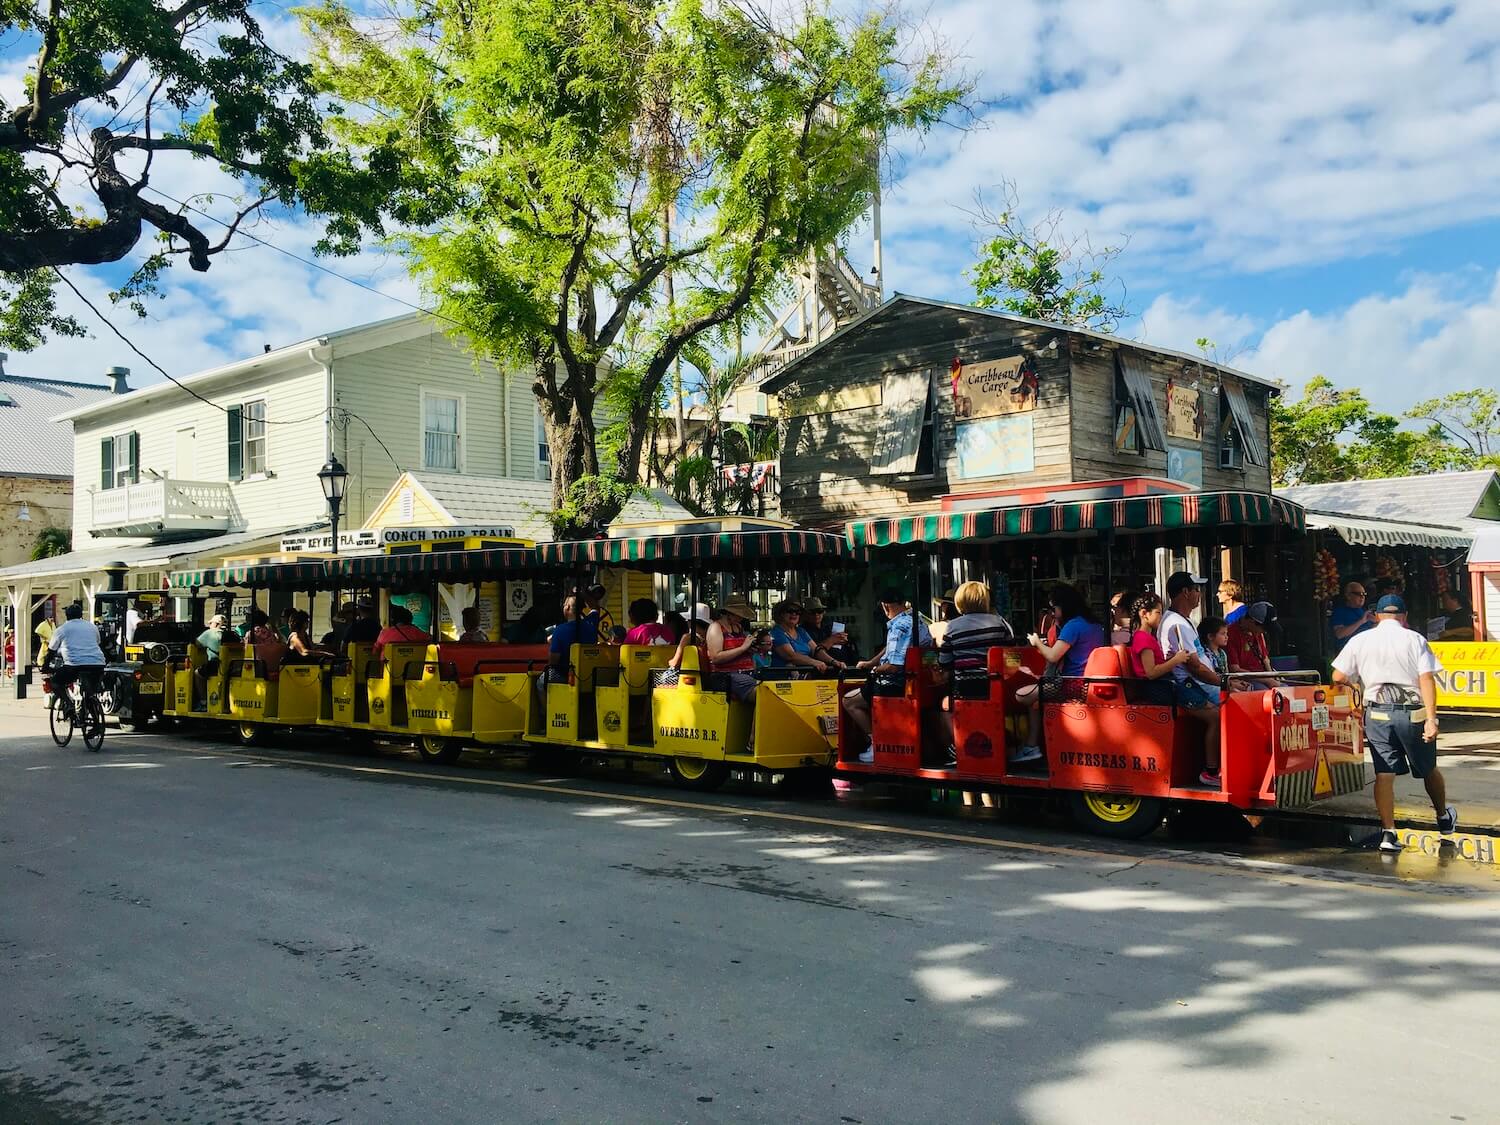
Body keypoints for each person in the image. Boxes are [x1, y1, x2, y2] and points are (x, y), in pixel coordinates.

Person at [1332, 594, 1457, 852]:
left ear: (1377, 616)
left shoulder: (1360, 639)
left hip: (1376, 714)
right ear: (1404, 616)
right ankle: (1443, 818)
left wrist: (1355, 684)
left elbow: (1338, 675)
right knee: (1428, 768)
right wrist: (1432, 719)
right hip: (1412, 714)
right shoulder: (1415, 639)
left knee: (1384, 774)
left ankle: (1388, 833)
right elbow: (1426, 680)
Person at [1015, 583, 1105, 765]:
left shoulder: (1073, 625)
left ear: (1063, 606)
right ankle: (1033, 745)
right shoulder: (1093, 624)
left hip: (1071, 685)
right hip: (1088, 683)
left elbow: (1053, 655)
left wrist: (1036, 642)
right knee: (1036, 700)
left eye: (1054, 608)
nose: (1053, 613)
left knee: (1021, 695)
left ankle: (1031, 746)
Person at [843, 588, 934, 762]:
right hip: (917, 680)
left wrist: (873, 670)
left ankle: (876, 743)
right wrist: (872, 663)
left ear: (885, 606)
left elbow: (893, 666)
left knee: (849, 701)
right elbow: (890, 648)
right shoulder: (916, 619)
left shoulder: (898, 626)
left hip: (896, 683)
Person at [930, 582, 1014, 764]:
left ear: (960, 602)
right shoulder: (1000, 623)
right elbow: (1010, 654)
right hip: (995, 687)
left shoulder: (952, 627)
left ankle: (956, 746)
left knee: (944, 705)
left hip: (965, 687)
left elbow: (944, 662)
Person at [1157, 571, 1223, 787]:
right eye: (1197, 590)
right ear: (1185, 592)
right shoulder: (1178, 624)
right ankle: (1211, 771)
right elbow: (1194, 667)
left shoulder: (1184, 621)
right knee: (1217, 717)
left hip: (1201, 683)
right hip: (1189, 686)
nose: (1199, 594)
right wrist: (1222, 682)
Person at [706, 596, 766, 703]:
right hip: (727, 676)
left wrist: (750, 649)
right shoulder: (716, 627)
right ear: (729, 613)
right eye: (739, 614)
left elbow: (739, 651)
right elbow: (715, 657)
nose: (741, 618)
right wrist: (743, 648)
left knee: (776, 687)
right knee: (764, 695)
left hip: (748, 673)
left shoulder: (738, 627)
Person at [43, 602, 106, 701]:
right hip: (97, 664)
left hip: (73, 666)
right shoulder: (92, 627)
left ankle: (69, 705)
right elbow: (98, 642)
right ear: (81, 615)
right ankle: (91, 704)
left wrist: (45, 666)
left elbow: (51, 651)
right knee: (90, 690)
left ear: (67, 616)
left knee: (55, 683)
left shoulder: (62, 629)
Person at [1127, 593, 1192, 682]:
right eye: (1158, 613)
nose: (1161, 617)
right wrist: (1176, 660)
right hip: (1155, 688)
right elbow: (1151, 673)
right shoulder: (1143, 638)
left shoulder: (1146, 637)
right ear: (1144, 613)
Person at [769, 600, 843, 673]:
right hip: (784, 679)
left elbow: (816, 650)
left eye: (797, 612)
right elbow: (791, 656)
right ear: (781, 614)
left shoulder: (801, 631)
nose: (794, 614)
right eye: (790, 611)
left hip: (806, 677)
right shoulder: (777, 632)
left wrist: (834, 662)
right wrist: (815, 662)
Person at [1226, 602, 1276, 686]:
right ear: (1251, 621)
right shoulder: (1230, 634)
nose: (1264, 631)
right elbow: (1235, 669)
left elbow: (1265, 659)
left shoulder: (1258, 633)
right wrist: (1267, 680)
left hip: (1263, 676)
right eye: (1263, 628)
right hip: (1246, 679)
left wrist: (1273, 677)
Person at [1330, 581, 1375, 653]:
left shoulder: (1363, 611)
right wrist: (1361, 621)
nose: (1362, 597)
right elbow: (1339, 634)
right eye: (1359, 594)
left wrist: (1376, 622)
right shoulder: (1340, 611)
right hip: (1350, 653)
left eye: (1364, 594)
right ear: (1348, 596)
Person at [668, 603, 712, 672]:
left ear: (690, 622)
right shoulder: (710, 637)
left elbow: (675, 663)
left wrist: (670, 661)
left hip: (690, 676)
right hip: (707, 676)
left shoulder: (687, 638)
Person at [243, 609, 287, 677]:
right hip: (274, 666)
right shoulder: (271, 634)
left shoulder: (250, 634)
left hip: (258, 668)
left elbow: (247, 651)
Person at [1198, 615, 1231, 680]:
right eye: (1223, 634)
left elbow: (1226, 673)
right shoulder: (1204, 654)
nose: (1226, 637)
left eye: (1226, 633)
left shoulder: (1222, 653)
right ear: (1210, 636)